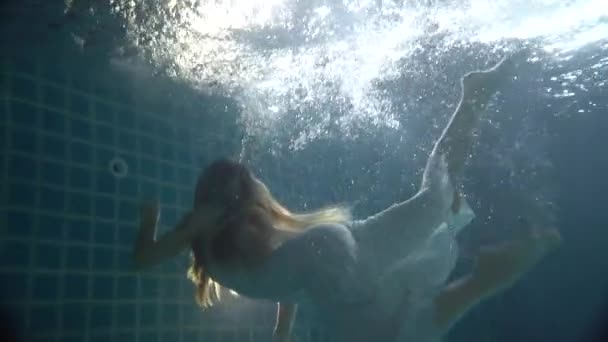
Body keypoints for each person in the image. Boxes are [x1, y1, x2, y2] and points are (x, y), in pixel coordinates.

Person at [132, 51, 561, 341]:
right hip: (338, 247)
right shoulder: (242, 229)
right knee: (434, 199)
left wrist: (150, 218)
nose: (245, 199)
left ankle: (485, 270)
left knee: (406, 326)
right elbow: (290, 278)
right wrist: (281, 335)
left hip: (334, 262)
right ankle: (473, 98)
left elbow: (145, 259)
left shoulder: (208, 223)